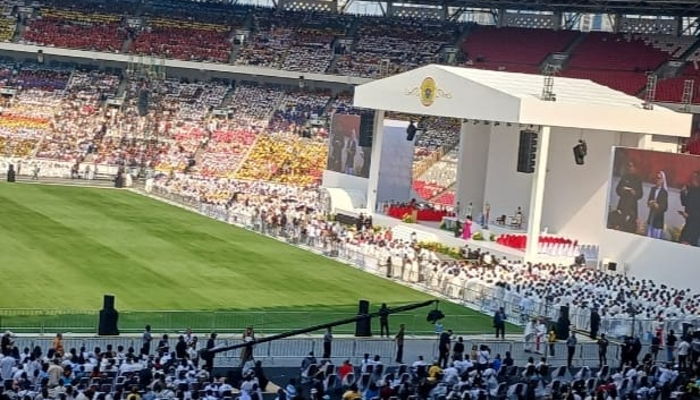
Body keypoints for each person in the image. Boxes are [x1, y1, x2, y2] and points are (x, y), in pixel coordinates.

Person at [614, 160, 643, 233]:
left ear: (635, 168)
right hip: (622, 204)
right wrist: (622, 190)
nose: (630, 168)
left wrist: (634, 193)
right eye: (629, 166)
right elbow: (617, 190)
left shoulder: (638, 179)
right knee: (619, 225)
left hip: (632, 206)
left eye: (632, 166)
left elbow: (640, 194)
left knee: (630, 226)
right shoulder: (624, 177)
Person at [680, 171, 700, 246]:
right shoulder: (691, 190)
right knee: (682, 240)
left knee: (688, 242)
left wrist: (689, 215)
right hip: (688, 222)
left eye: (695, 177)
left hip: (696, 224)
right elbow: (684, 203)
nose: (692, 179)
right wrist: (683, 193)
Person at [646, 170, 669, 239]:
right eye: (656, 178)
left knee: (656, 236)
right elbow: (648, 201)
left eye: (659, 178)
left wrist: (658, 206)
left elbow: (665, 207)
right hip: (651, 215)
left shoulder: (664, 192)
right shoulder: (653, 189)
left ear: (662, 180)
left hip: (658, 218)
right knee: (649, 235)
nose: (657, 180)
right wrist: (650, 203)